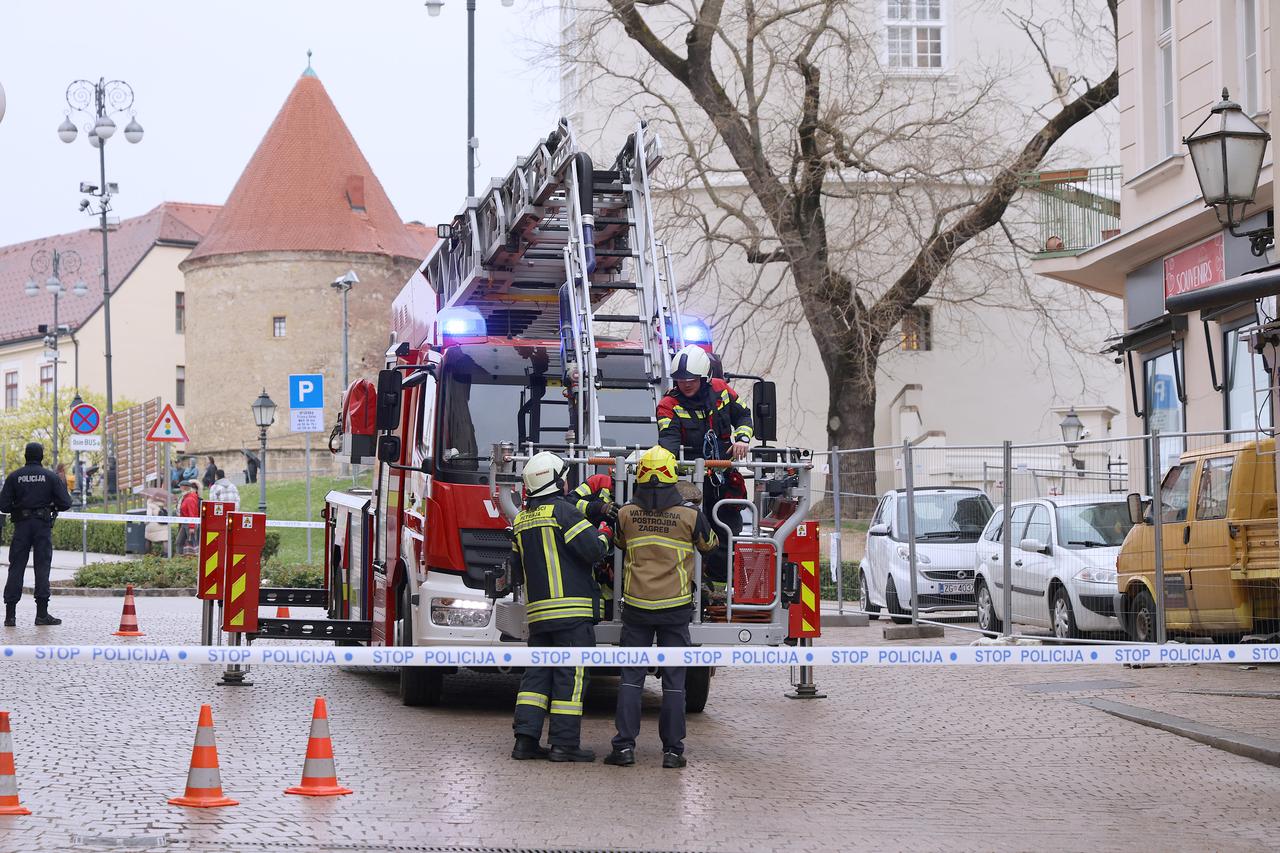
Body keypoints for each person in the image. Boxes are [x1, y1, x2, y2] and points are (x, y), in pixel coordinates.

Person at [602, 446, 718, 770]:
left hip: (636, 607)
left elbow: (619, 543)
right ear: (673, 476)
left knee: (630, 679)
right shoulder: (691, 516)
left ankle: (624, 747)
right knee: (674, 682)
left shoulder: (625, 514)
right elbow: (710, 545)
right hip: (675, 609)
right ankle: (672, 751)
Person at [509, 451, 609, 764]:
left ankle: (525, 741)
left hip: (539, 616)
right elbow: (594, 550)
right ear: (554, 481)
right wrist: (606, 529)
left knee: (536, 677)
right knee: (571, 676)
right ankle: (564, 745)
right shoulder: (564, 513)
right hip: (572, 615)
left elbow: (516, 568)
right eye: (563, 476)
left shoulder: (521, 519)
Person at [656, 344, 753, 582]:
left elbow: (743, 416)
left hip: (723, 479)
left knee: (726, 530)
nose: (685, 384)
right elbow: (668, 441)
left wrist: (742, 439)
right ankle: (692, 585)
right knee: (687, 531)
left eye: (691, 379)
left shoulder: (721, 391)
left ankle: (720, 587)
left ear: (705, 377)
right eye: (680, 379)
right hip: (690, 481)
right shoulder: (668, 405)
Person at [1, 442, 73, 627]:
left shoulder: (14, 476)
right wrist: (50, 505)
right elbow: (65, 503)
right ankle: (41, 614)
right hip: (41, 526)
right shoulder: (50, 477)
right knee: (42, 567)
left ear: (25, 456)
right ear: (41, 456)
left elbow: (3, 505)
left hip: (21, 527)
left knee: (16, 567)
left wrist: (19, 506)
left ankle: (10, 616)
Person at [176, 480, 201, 555]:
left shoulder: (189, 499)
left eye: (180, 487)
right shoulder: (186, 497)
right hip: (185, 523)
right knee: (179, 542)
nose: (180, 488)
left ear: (184, 487)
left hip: (189, 524)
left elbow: (192, 513)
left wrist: (192, 527)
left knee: (193, 543)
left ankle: (196, 557)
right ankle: (180, 557)